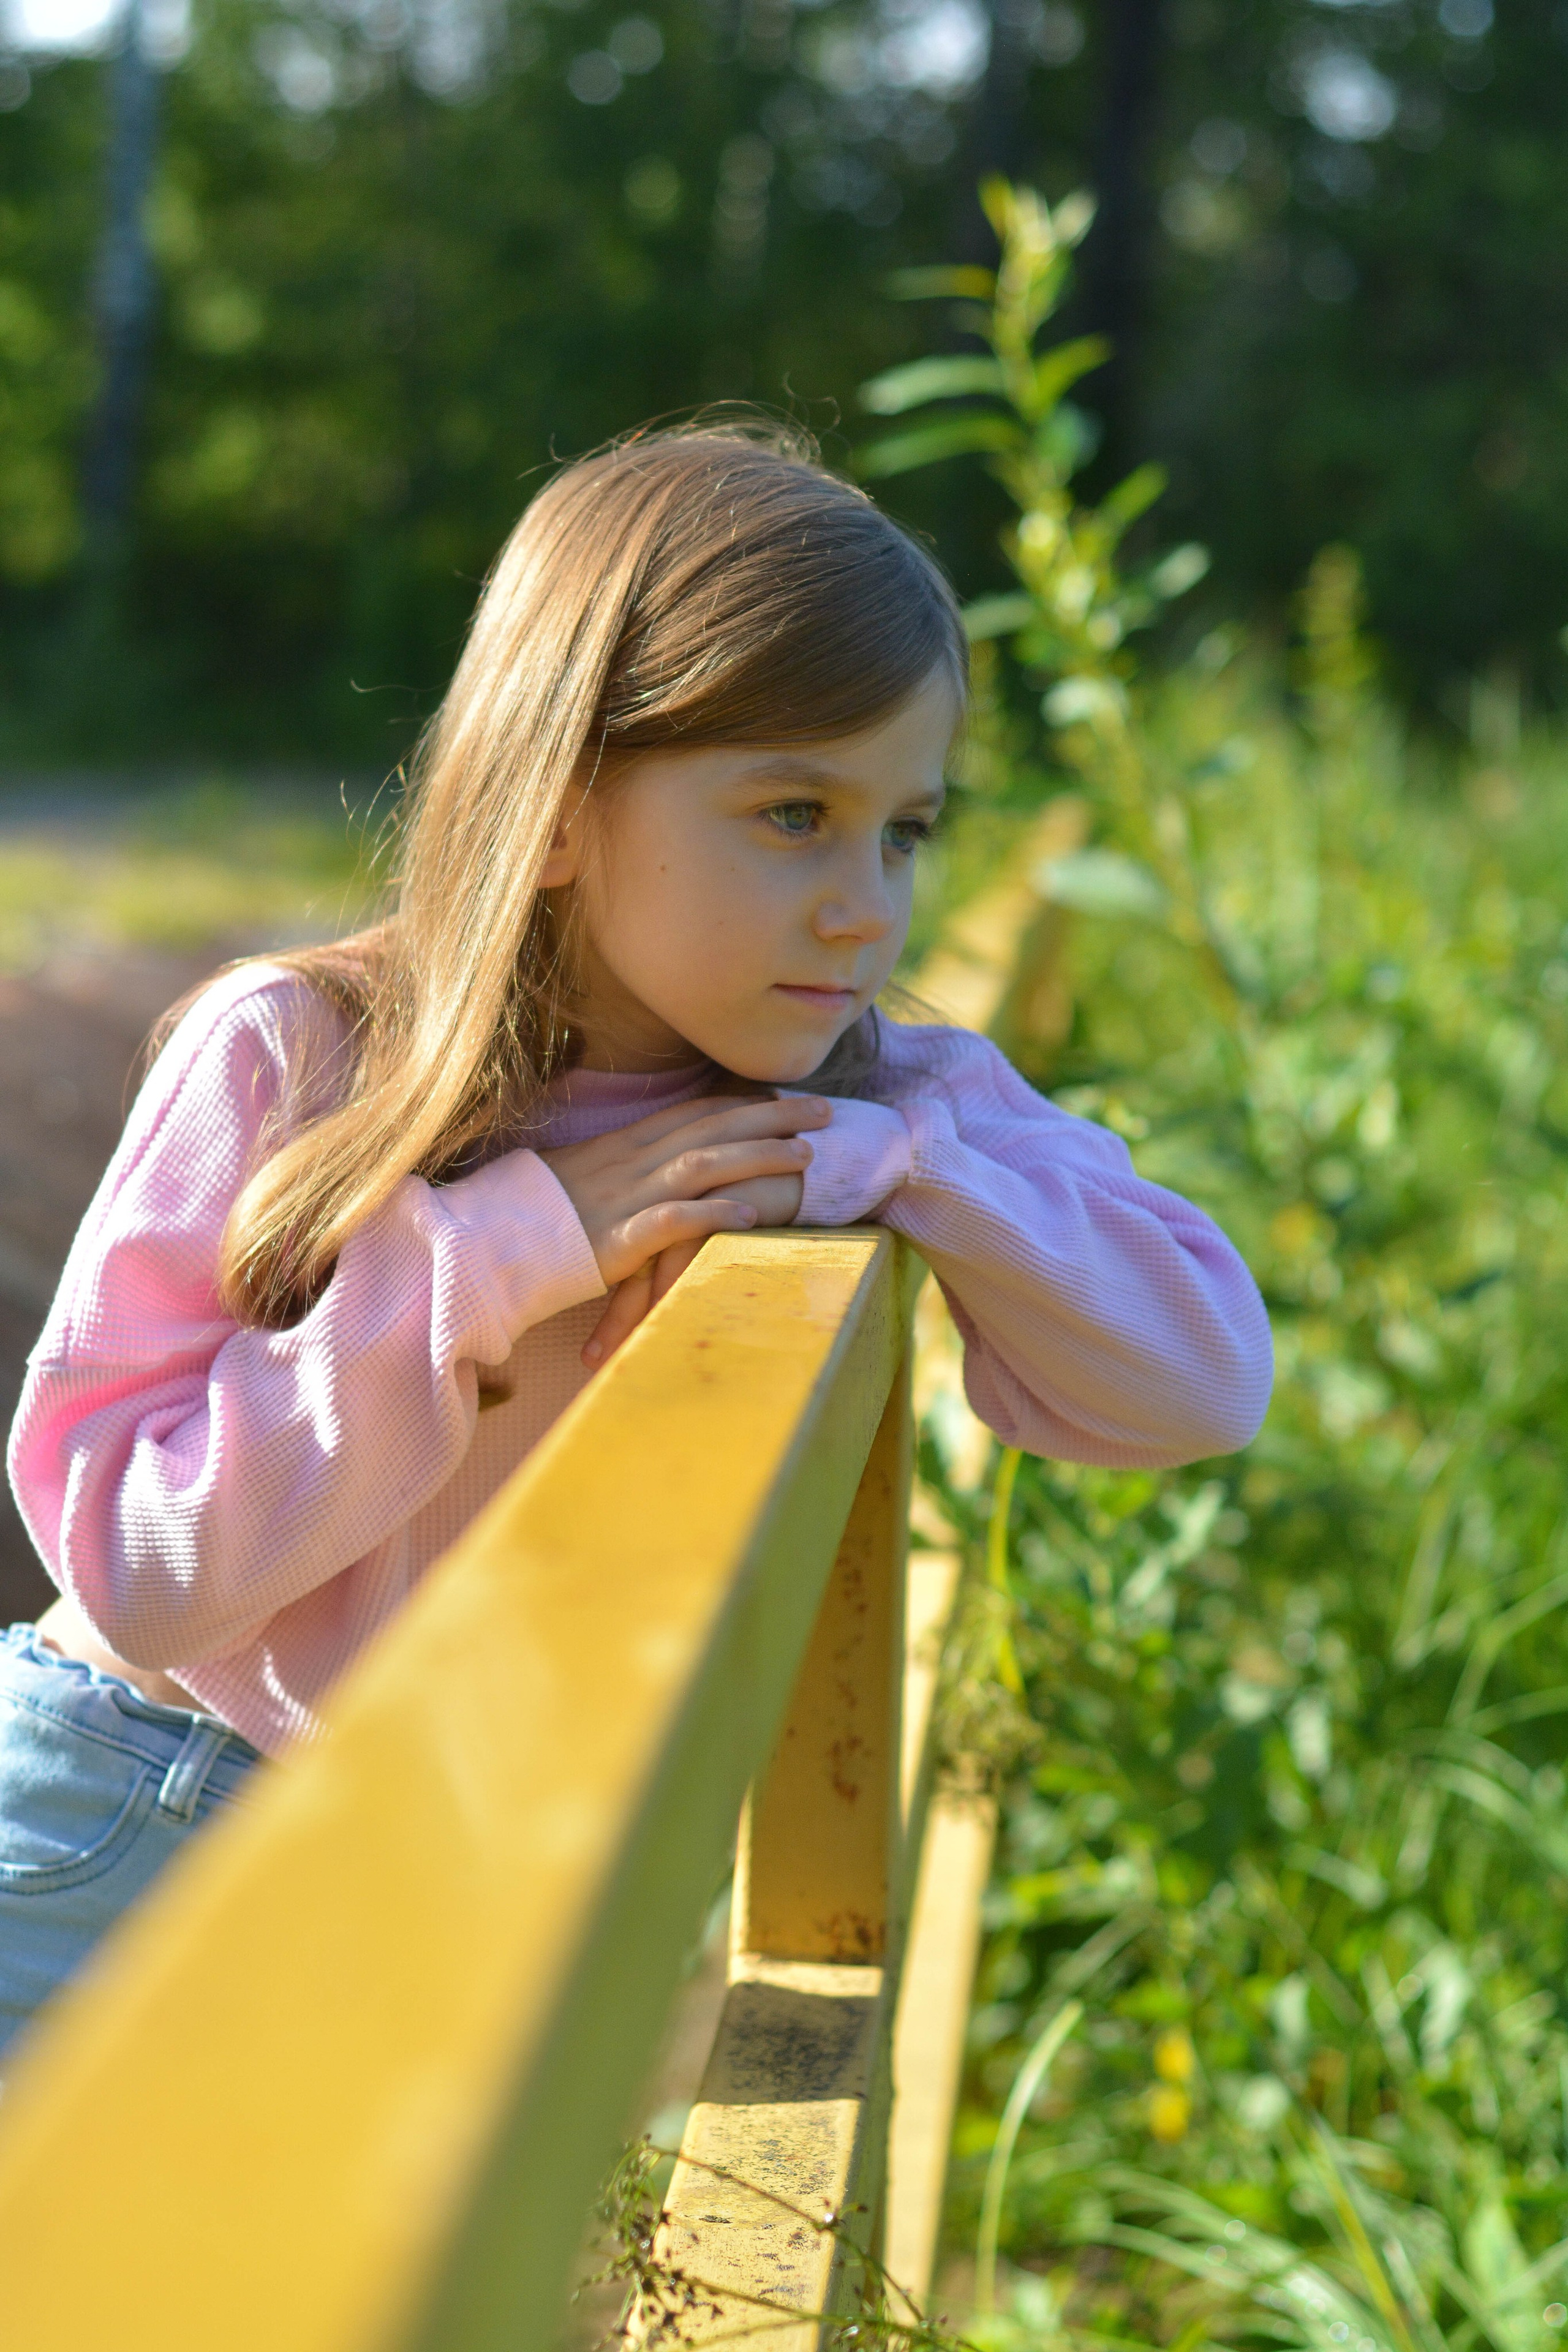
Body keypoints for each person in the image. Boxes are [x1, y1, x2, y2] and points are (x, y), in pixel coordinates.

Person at [0, 421, 1271, 2057]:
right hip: (127, 1818)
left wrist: (889, 1165)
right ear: (557, 809)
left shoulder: (884, 1091)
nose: (867, 908)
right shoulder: (299, 1054)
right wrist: (511, 1246)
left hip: (434, 1874)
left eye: (908, 831)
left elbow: (1201, 1380)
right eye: (796, 813)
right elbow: (130, 1565)